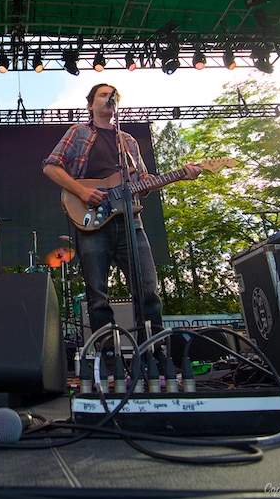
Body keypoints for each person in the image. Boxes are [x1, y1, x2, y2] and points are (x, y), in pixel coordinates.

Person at [42, 83, 202, 355]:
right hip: (92, 220)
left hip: (130, 221)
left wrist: (181, 174)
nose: (109, 99)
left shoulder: (128, 141)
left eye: (112, 96)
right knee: (98, 295)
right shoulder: (79, 132)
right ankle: (108, 358)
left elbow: (143, 183)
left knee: (148, 290)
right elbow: (50, 166)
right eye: (102, 95)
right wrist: (82, 191)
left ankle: (153, 355)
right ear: (90, 105)